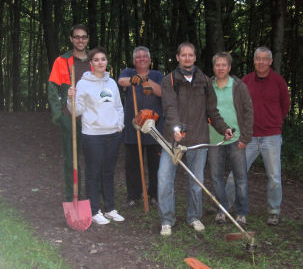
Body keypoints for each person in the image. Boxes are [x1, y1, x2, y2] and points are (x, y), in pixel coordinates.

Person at [158, 42, 233, 236]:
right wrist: (176, 128)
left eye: (190, 55)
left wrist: (224, 128)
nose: (187, 58)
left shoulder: (205, 81)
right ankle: (167, 219)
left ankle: (194, 216)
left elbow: (212, 111)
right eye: (183, 55)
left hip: (198, 139)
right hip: (172, 140)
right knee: (164, 179)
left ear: (195, 57)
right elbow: (169, 108)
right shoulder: (169, 81)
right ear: (177, 57)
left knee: (196, 182)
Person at [226, 46, 290, 225]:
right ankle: (225, 206)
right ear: (254, 61)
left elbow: (285, 106)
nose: (261, 62)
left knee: (274, 176)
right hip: (249, 136)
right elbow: (237, 105)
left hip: (271, 136)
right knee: (236, 173)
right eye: (258, 59)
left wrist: (274, 122)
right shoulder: (245, 81)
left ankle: (274, 211)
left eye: (265, 59)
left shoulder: (278, 81)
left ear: (270, 62)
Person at [67, 47, 125, 225]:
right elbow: (76, 112)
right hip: (92, 135)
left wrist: (119, 125)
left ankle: (110, 208)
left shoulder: (112, 83)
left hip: (112, 134)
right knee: (93, 172)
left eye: (103, 59)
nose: (101, 62)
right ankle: (94, 210)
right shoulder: (83, 84)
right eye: (97, 60)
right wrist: (71, 98)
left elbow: (118, 106)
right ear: (91, 63)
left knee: (108, 171)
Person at [208, 52, 253, 225]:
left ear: (229, 67)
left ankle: (241, 212)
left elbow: (248, 112)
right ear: (213, 67)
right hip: (214, 140)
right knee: (216, 177)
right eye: (217, 65)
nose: (220, 68)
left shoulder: (239, 86)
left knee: (240, 177)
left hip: (236, 140)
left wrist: (245, 137)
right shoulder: (208, 86)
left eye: (224, 65)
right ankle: (222, 209)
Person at [48, 24, 91, 201]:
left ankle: (93, 197)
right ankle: (71, 196)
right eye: (77, 37)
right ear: (71, 39)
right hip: (70, 116)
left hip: (91, 119)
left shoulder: (94, 60)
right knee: (70, 160)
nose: (80, 40)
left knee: (92, 159)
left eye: (84, 37)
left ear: (87, 39)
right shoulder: (62, 61)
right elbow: (52, 88)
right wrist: (58, 114)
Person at [118, 46, 164, 207]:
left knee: (155, 164)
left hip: (154, 126)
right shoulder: (128, 72)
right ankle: (134, 195)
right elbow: (121, 81)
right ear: (133, 60)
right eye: (138, 57)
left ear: (150, 60)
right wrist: (133, 80)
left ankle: (155, 195)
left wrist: (145, 80)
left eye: (145, 56)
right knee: (132, 163)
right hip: (133, 127)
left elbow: (161, 92)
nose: (142, 59)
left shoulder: (157, 75)